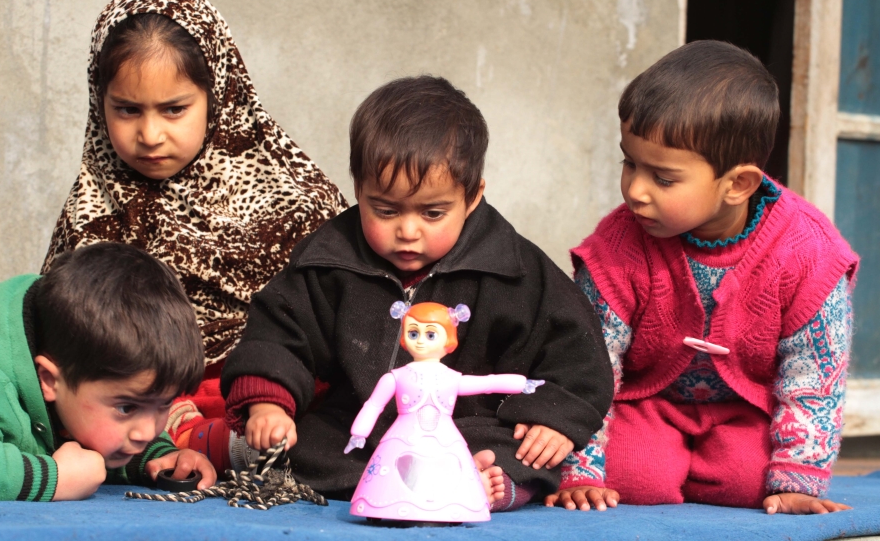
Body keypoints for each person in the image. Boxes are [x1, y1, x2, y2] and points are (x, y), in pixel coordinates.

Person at [221, 75, 614, 509]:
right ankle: (442, 486)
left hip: (473, 426)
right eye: (385, 210)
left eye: (433, 213)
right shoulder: (329, 259)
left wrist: (554, 419)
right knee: (300, 450)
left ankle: (488, 487)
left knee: (520, 455)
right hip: (361, 427)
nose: (408, 232)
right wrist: (268, 405)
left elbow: (575, 352)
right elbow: (278, 332)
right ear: (358, 191)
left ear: (472, 196)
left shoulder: (515, 269)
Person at [41, 0, 348, 471]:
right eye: (126, 109)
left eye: (173, 109)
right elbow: (62, 342)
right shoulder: (92, 216)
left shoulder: (297, 199)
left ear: (219, 95)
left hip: (278, 388)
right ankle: (214, 446)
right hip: (155, 405)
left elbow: (342, 322)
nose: (150, 135)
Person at [547, 40, 859, 515]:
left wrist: (798, 475)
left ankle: (726, 468)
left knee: (750, 486)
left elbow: (816, 373)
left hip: (748, 412)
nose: (635, 190)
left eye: (663, 178)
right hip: (647, 403)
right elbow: (590, 358)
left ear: (738, 184)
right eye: (629, 163)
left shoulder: (809, 251)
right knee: (634, 478)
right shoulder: (619, 243)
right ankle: (660, 463)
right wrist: (583, 470)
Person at [0, 242, 216, 501]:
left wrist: (157, 458)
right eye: (127, 407)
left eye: (163, 405)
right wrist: (53, 478)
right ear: (49, 380)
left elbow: (88, 432)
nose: (146, 431)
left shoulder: (76, 375)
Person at [345, 301, 545, 522]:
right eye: (413, 333)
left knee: (445, 468)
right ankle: (382, 508)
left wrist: (521, 383)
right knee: (393, 471)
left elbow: (487, 384)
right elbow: (373, 405)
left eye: (430, 335)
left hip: (444, 437)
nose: (420, 340)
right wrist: (359, 433)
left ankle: (447, 507)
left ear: (448, 339)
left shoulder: (451, 378)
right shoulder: (395, 377)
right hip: (403, 436)